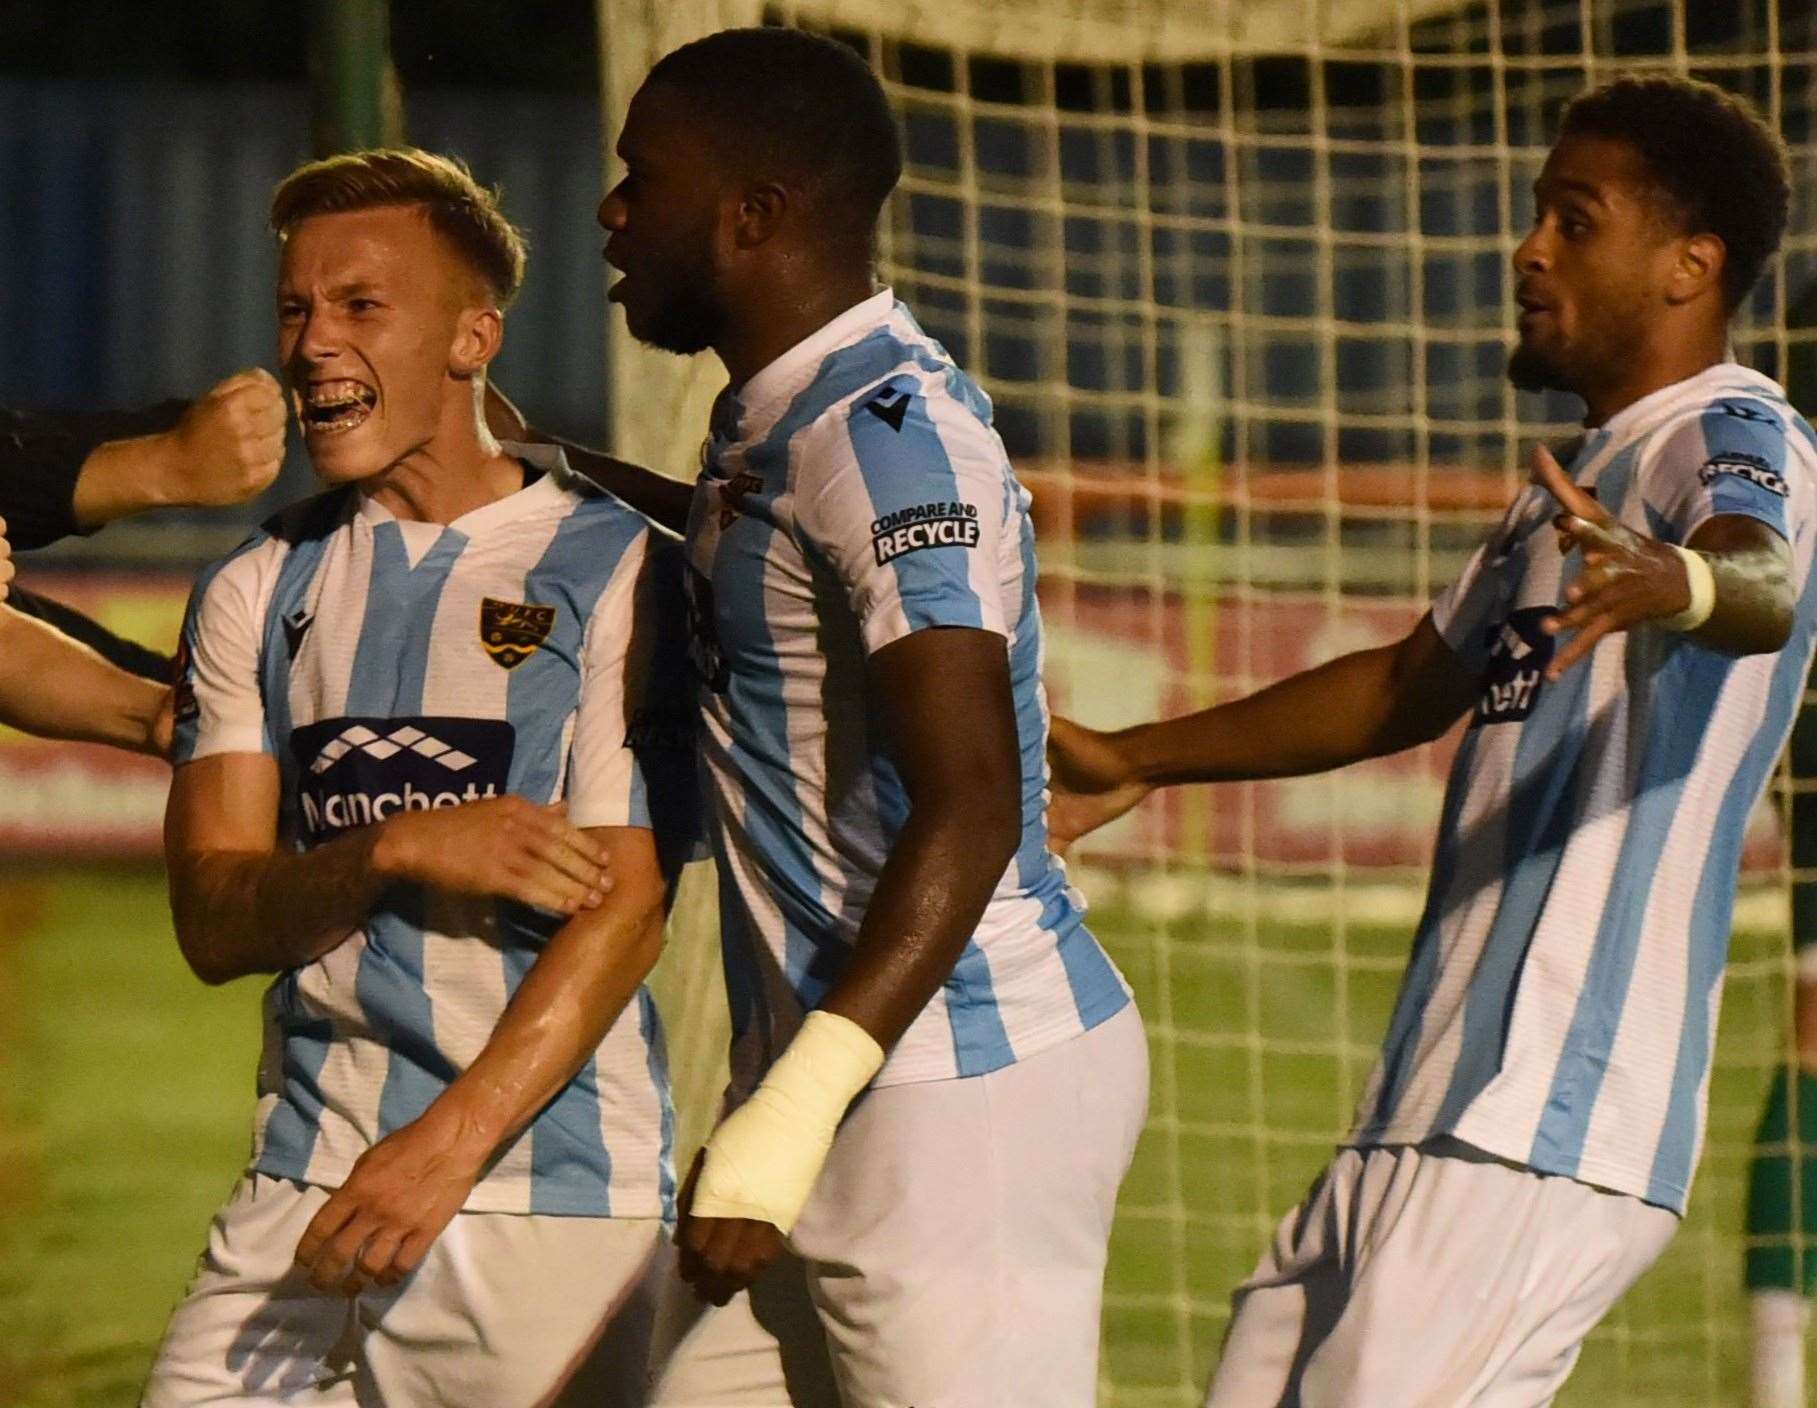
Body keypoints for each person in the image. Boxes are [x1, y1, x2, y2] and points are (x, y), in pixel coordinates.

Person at [1049, 75, 1809, 1406]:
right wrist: (1139, 757)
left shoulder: (1728, 433)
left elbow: (1761, 582)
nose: (1528, 250)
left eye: (1574, 223)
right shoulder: (1568, 490)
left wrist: (1674, 582)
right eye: (1535, 216)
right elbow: (1407, 682)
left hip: (1545, 1114)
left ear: (1691, 267)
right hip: (1427, 1110)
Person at [583, 27, 1147, 1407]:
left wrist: (789, 1113)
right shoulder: (776, 418)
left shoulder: (885, 439)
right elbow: (766, 555)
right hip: (840, 1073)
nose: (610, 211)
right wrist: (525, 460)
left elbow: (970, 805)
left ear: (752, 217)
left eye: (637, 179)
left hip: (954, 1093)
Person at [140, 147, 697, 1408]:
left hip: (536, 1196)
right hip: (302, 1187)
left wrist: (439, 1152)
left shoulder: (613, 568)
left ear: (471, 337)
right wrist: (390, 848)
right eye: (294, 308)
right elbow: (213, 921)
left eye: (359, 306)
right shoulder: (251, 587)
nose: (312, 343)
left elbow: (626, 907)